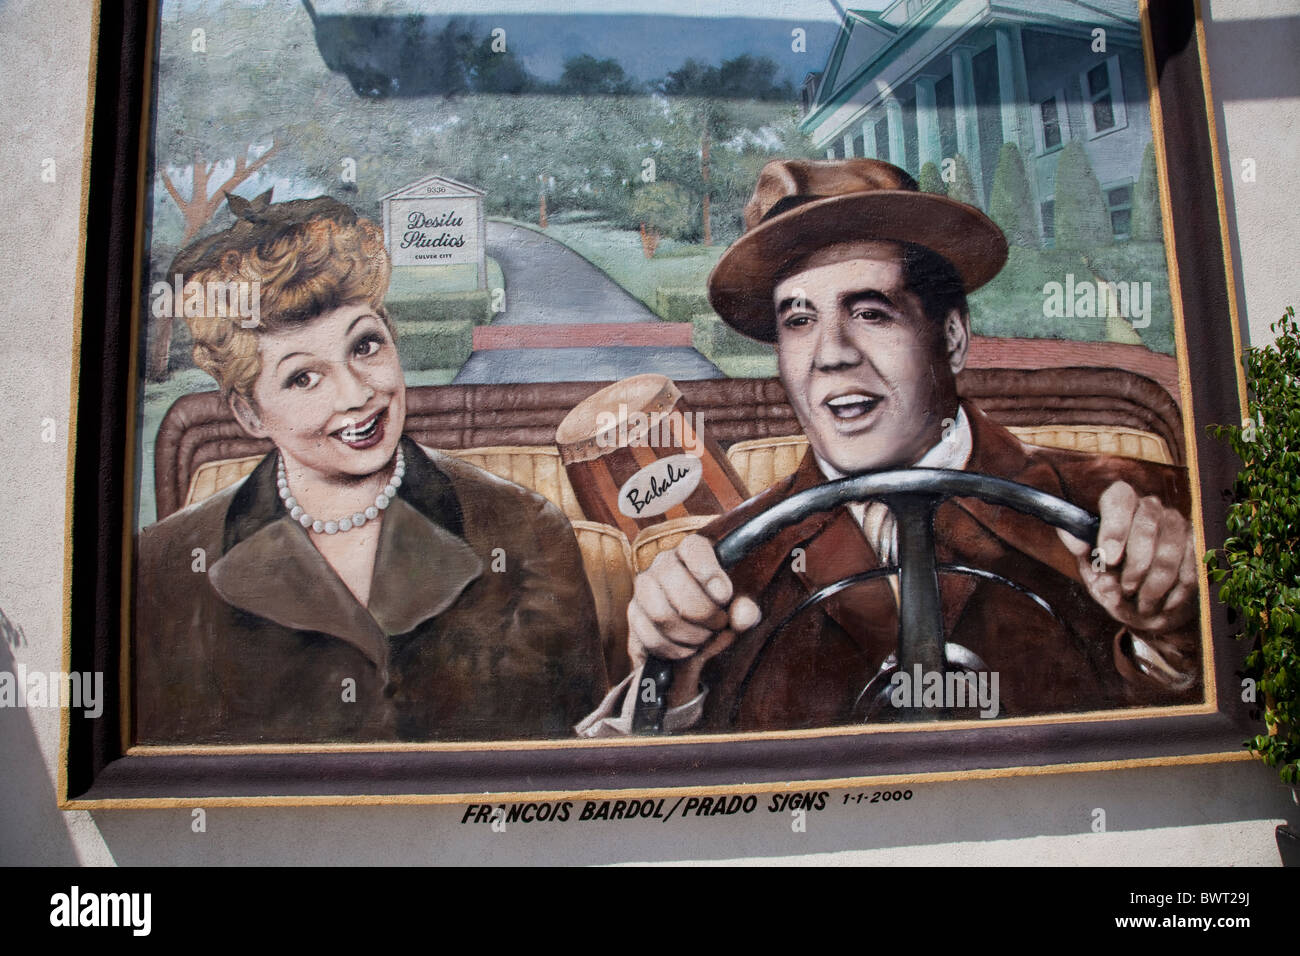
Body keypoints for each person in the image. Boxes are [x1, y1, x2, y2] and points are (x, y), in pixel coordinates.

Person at [578, 158, 1200, 735]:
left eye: (871, 312)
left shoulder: (1141, 512)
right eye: (799, 321)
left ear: (951, 338)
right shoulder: (719, 568)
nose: (831, 354)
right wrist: (673, 676)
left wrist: (1173, 637)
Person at [134, 192, 607, 744]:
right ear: (248, 411)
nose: (358, 394)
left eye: (365, 347)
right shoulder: (163, 565)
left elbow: (576, 757)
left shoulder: (526, 530)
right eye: (303, 378)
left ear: (392, 338)